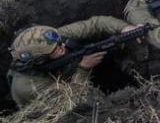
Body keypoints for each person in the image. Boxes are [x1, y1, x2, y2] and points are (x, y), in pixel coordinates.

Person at [8, 17, 137, 107]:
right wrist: (84, 68)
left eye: (60, 43)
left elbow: (95, 23)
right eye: (56, 49)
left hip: (64, 77)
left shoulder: (51, 39)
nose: (63, 45)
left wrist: (124, 28)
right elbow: (70, 102)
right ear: (40, 60)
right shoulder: (26, 87)